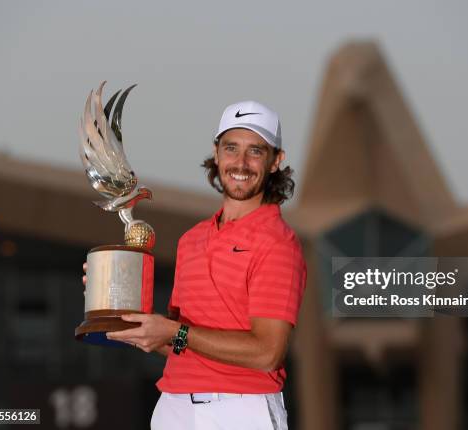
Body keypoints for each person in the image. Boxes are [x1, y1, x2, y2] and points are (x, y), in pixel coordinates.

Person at [85, 101, 307, 429]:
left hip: (242, 412)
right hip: (174, 408)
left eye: (256, 151)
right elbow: (179, 343)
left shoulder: (278, 242)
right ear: (217, 154)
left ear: (276, 161)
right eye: (231, 148)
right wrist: (113, 298)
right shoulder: (192, 240)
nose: (241, 163)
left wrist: (175, 331)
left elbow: (266, 353)